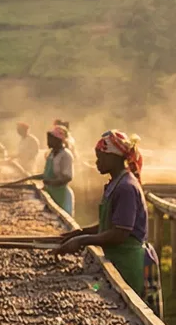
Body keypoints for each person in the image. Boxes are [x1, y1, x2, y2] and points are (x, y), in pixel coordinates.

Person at [55, 131, 161, 311]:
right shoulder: (116, 183)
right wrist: (80, 232)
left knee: (131, 308)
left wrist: (82, 241)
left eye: (100, 157)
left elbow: (120, 233)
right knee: (103, 294)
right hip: (117, 259)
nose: (97, 162)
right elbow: (109, 225)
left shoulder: (126, 187)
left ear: (114, 157)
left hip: (130, 265)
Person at [40, 123, 75, 217]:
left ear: (58, 140)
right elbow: (47, 173)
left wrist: (51, 183)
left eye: (51, 139)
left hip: (61, 195)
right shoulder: (51, 154)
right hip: (50, 192)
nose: (49, 141)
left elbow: (67, 177)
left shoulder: (65, 155)